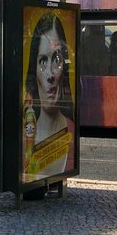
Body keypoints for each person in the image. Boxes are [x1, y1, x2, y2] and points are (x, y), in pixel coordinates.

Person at [24, 12, 76, 178]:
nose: (50, 75)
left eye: (56, 60)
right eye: (43, 61)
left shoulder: (72, 132)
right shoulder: (24, 136)